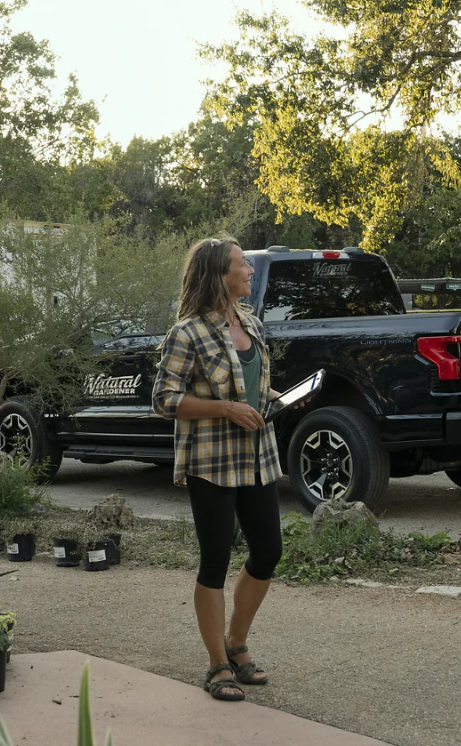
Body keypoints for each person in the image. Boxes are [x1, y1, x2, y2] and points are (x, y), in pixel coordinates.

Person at [152, 237, 283, 702]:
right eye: (241, 263)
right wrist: (226, 409)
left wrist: (276, 400)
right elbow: (164, 400)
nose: (250, 269)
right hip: (211, 461)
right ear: (219, 275)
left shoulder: (250, 322)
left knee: (268, 551)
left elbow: (255, 387)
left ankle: (237, 643)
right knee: (216, 559)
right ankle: (216, 665)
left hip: (257, 457)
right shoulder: (186, 334)